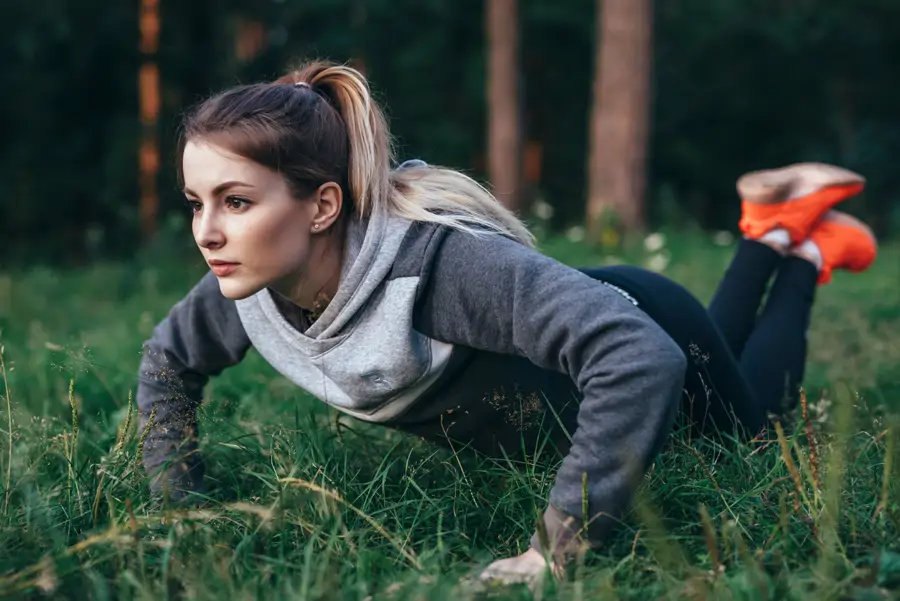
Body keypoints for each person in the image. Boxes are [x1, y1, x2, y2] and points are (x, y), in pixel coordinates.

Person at [136, 59, 878, 585]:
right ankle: (773, 228)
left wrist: (559, 548)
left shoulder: (441, 272)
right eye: (196, 202)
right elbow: (167, 361)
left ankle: (793, 251)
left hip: (640, 323)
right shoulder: (246, 285)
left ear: (322, 206)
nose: (207, 232)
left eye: (235, 201)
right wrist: (181, 506)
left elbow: (639, 356)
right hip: (626, 360)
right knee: (725, 372)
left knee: (759, 436)